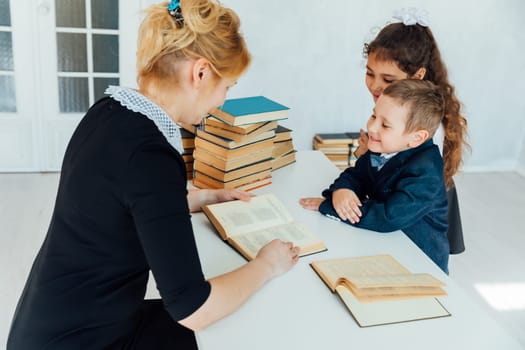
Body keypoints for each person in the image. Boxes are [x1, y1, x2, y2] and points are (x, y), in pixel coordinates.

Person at [7, 1, 300, 349]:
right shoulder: (151, 156)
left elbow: (121, 202)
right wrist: (267, 265)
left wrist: (200, 198)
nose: (221, 101)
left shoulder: (109, 112)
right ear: (201, 72)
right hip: (88, 339)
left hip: (52, 324)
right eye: (228, 86)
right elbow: (193, 308)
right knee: (236, 325)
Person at [306, 9, 468, 254]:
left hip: (414, 218)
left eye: (388, 80)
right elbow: (367, 172)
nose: (375, 85)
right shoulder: (394, 111)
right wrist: (345, 188)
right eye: (370, 73)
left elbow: (393, 205)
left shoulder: (425, 145)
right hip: (394, 208)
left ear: (417, 76)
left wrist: (332, 204)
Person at [301, 79, 450, 273]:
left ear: (417, 138)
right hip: (384, 244)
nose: (372, 127)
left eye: (385, 125)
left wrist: (329, 206)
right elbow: (357, 175)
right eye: (373, 116)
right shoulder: (383, 145)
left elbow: (389, 216)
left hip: (418, 261)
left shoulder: (426, 171)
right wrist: (342, 190)